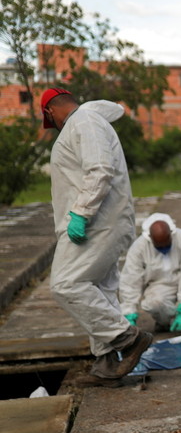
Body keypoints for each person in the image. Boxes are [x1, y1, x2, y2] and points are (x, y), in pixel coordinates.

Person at [42, 87, 153, 387]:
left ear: (50, 111)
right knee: (100, 290)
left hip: (96, 223)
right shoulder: (87, 121)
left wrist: (81, 213)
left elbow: (100, 169)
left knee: (66, 284)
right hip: (99, 222)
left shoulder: (84, 121)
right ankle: (106, 364)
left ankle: (128, 340)